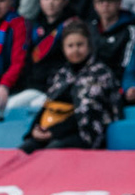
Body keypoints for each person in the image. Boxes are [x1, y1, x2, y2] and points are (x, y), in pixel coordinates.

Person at [19, 23, 122, 152]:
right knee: (23, 151)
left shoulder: (100, 74)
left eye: (80, 45)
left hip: (85, 134)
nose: (75, 50)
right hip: (53, 130)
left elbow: (88, 113)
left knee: (52, 152)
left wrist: (54, 132)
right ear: (63, 48)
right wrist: (35, 129)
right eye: (70, 46)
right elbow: (48, 105)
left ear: (89, 45)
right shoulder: (61, 74)